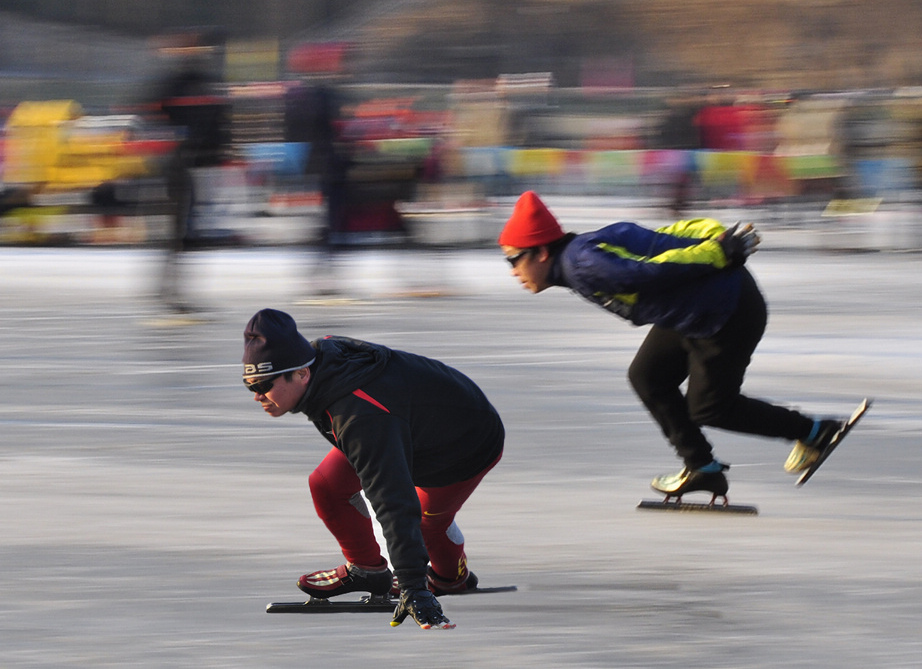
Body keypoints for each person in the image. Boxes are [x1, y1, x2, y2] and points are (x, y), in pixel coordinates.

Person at [497, 191, 845, 502]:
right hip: (694, 308)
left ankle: (815, 432)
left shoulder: (581, 264)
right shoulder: (584, 251)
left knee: (710, 408)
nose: (512, 271)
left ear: (541, 252)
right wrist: (716, 241)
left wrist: (717, 251)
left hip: (725, 310)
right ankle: (702, 468)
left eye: (514, 259)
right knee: (647, 375)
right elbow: (664, 236)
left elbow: (648, 273)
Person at [242, 308, 504, 629]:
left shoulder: (359, 417)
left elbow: (392, 499)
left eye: (263, 385)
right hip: (403, 421)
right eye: (249, 385)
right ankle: (368, 570)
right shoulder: (318, 359)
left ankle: (452, 579)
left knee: (422, 524)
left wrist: (412, 586)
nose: (256, 396)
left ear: (301, 374)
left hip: (465, 442)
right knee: (326, 484)